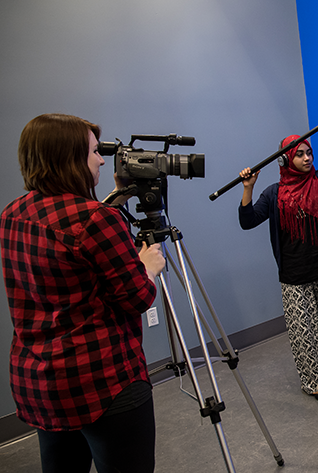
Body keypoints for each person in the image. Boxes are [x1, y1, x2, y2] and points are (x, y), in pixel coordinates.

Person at [1, 113, 166, 473]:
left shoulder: (12, 214)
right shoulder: (96, 219)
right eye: (95, 151)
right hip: (102, 382)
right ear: (69, 157)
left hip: (42, 382)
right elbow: (137, 298)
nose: (103, 159)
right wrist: (147, 266)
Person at [238, 101, 318, 403]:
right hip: (293, 274)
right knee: (304, 334)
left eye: (309, 153)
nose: (307, 158)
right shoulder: (274, 193)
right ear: (286, 160)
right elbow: (248, 220)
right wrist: (248, 188)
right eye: (300, 154)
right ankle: (315, 383)